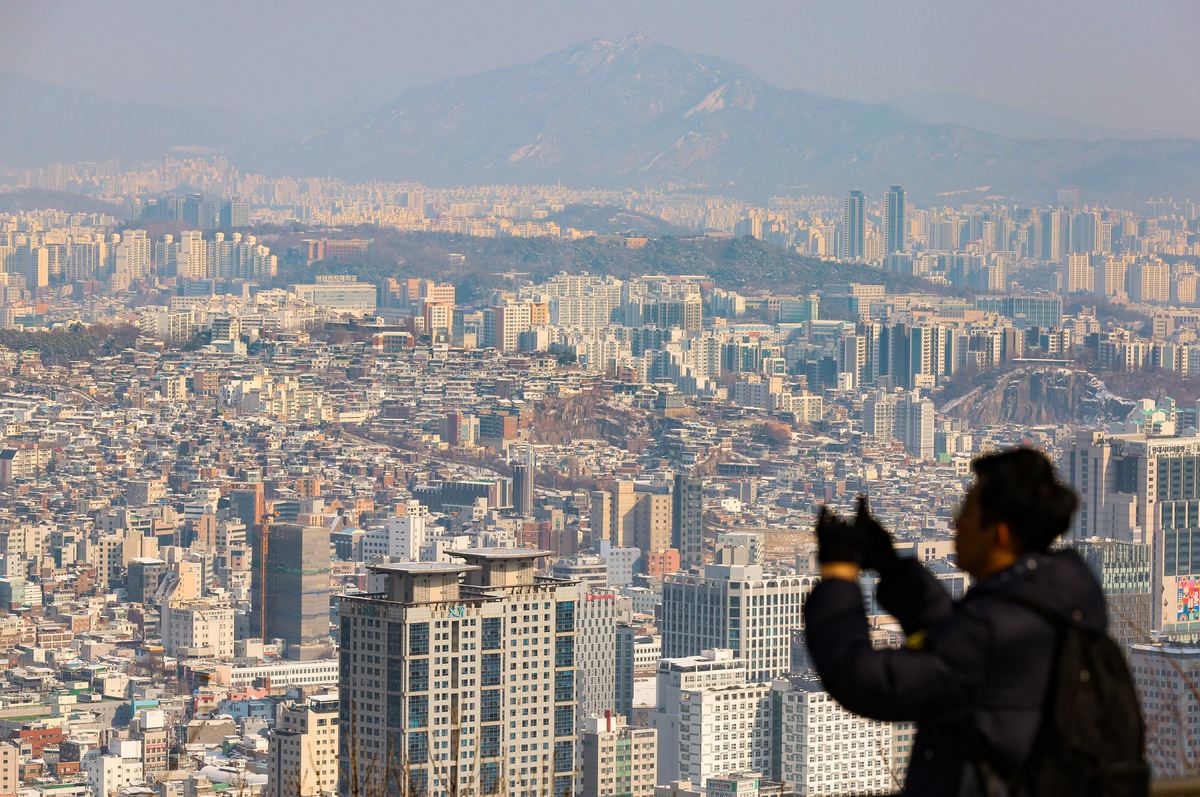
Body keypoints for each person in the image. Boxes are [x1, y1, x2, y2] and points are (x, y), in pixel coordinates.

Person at [804, 447, 1109, 796]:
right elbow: (957, 645)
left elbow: (865, 681)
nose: (956, 523)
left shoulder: (997, 628)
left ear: (999, 534)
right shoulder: (1055, 600)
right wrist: (892, 568)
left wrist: (838, 575)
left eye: (964, 512)